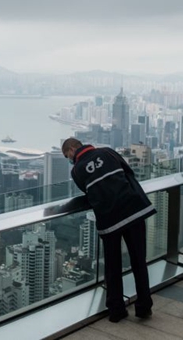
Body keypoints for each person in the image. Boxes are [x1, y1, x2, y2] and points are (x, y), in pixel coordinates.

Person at [62, 137, 155, 322]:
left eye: (68, 155)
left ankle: (116, 310)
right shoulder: (107, 152)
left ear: (73, 149)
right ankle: (144, 307)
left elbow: (88, 191)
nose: (69, 159)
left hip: (109, 219)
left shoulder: (77, 170)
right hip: (133, 210)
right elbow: (128, 172)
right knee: (139, 261)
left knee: (113, 267)